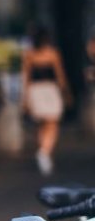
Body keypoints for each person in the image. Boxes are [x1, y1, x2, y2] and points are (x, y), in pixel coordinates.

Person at [21, 27, 72, 176]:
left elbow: (26, 78)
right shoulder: (53, 54)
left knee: (43, 124)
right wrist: (66, 92)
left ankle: (44, 152)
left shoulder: (29, 55)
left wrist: (25, 99)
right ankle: (44, 152)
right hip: (50, 90)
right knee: (52, 122)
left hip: (35, 91)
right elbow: (60, 75)